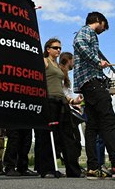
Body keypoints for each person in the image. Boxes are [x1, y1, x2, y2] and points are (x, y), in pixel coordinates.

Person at [72, 12, 115, 179]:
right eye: (104, 26)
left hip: (88, 84)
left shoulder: (87, 34)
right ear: (98, 21)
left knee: (93, 126)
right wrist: (98, 62)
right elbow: (79, 44)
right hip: (92, 82)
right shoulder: (86, 32)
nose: (104, 30)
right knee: (109, 120)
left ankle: (93, 167)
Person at [34, 38, 83, 178]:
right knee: (48, 136)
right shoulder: (44, 61)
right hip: (49, 101)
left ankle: (73, 170)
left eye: (60, 48)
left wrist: (73, 100)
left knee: (67, 136)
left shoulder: (58, 66)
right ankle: (47, 169)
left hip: (62, 102)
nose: (58, 50)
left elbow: (61, 88)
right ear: (48, 49)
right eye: (55, 48)